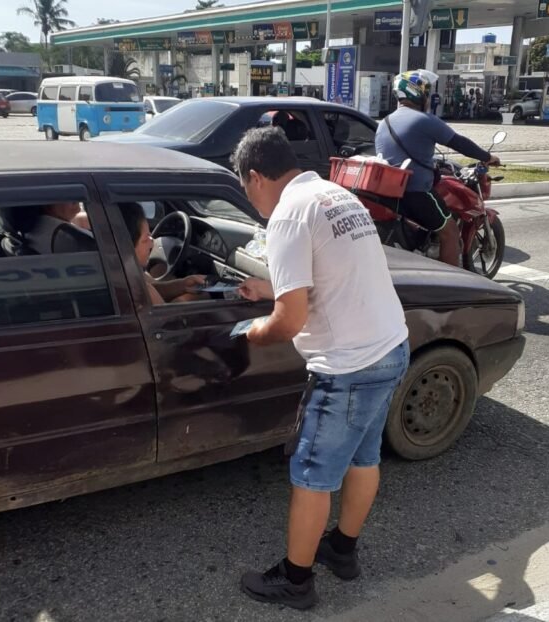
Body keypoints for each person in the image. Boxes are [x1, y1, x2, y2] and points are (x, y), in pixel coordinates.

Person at [231, 127, 410, 610]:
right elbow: (332, 274)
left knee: (311, 475)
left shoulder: (287, 215)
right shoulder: (334, 194)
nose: (252, 203)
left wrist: (252, 331)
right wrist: (272, 290)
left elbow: (289, 323)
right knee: (363, 457)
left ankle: (295, 581)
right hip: (390, 346)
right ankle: (343, 550)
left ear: (254, 177)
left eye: (246, 190)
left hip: (347, 366)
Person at [374, 70, 501, 266]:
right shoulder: (424, 120)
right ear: (418, 93)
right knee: (450, 232)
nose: (429, 98)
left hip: (390, 192)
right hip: (416, 192)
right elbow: (460, 143)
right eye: (427, 93)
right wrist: (488, 157)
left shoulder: (384, 122)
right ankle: (451, 285)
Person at [119, 202, 205, 304]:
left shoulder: (123, 273)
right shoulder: (131, 287)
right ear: (127, 246)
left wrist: (183, 285)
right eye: (145, 240)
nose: (152, 244)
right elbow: (166, 319)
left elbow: (152, 289)